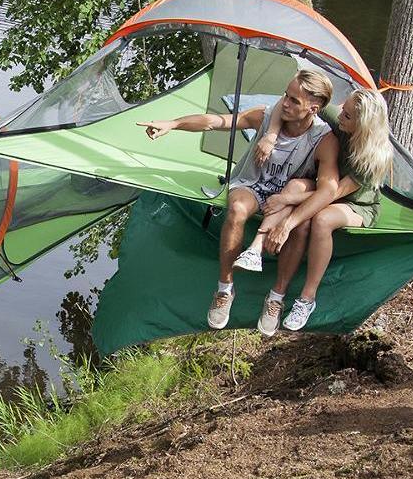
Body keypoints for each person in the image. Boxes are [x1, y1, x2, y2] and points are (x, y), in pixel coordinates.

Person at [137, 67, 341, 335]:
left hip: (287, 198)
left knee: (302, 225)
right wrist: (173, 124)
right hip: (252, 186)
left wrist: (289, 222)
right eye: (286, 96)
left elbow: (328, 189)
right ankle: (224, 289)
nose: (285, 103)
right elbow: (218, 121)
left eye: (294, 100)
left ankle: (276, 298)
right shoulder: (267, 117)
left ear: (313, 108)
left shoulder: (323, 139)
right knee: (237, 208)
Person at [258, 87, 394, 332]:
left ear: (362, 126)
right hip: (324, 185)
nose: (341, 115)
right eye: (344, 108)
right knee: (295, 185)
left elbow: (332, 195)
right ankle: (274, 290)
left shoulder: (375, 155)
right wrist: (271, 134)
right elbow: (284, 101)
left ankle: (307, 298)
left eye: (348, 116)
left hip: (356, 205)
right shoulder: (339, 117)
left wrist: (288, 202)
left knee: (321, 219)